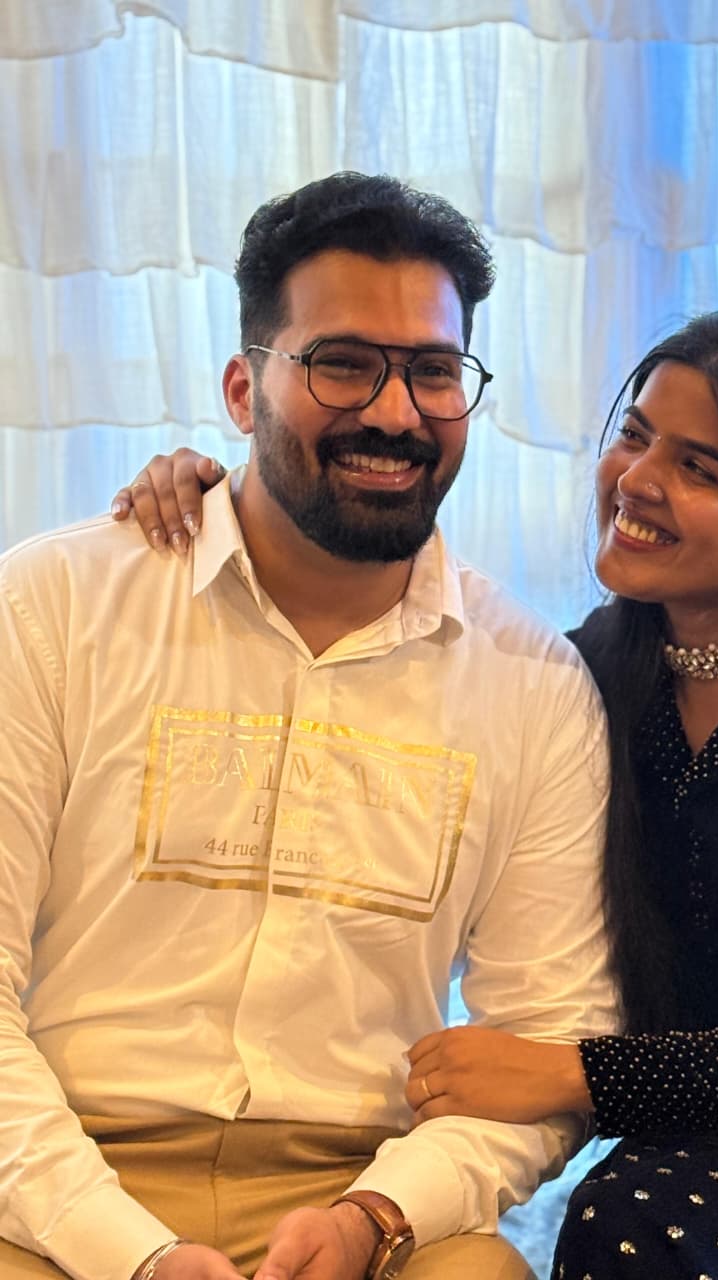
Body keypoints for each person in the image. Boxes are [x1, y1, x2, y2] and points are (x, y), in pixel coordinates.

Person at [131, 310, 718, 1278]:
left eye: (701, 468)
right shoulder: (596, 668)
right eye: (637, 434)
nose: (638, 480)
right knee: (628, 1209)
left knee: (635, 1213)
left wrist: (574, 1073)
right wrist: (223, 492)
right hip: (702, 1150)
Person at [0, 172, 616, 1280]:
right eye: (343, 363)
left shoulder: (534, 683)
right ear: (244, 388)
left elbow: (545, 1040)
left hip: (360, 1194)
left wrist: (380, 1213)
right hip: (57, 1174)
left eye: (434, 371)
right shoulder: (51, 609)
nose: (394, 411)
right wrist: (129, 1249)